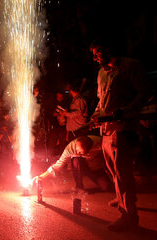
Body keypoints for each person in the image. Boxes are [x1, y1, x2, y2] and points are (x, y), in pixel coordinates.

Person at [89, 36, 149, 231]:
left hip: (123, 129)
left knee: (123, 173)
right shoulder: (101, 73)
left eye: (98, 52)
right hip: (106, 131)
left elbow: (143, 93)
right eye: (93, 54)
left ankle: (129, 217)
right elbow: (101, 101)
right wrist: (95, 116)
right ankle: (124, 199)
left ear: (109, 49)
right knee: (115, 172)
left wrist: (126, 112)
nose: (95, 57)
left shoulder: (131, 66)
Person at [35, 135, 111, 193]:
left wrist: (109, 172)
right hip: (82, 165)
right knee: (76, 160)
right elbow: (58, 165)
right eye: (77, 151)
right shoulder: (70, 149)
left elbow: (110, 159)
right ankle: (79, 187)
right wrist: (41, 177)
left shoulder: (100, 143)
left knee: (106, 187)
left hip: (95, 165)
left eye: (81, 153)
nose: (78, 153)